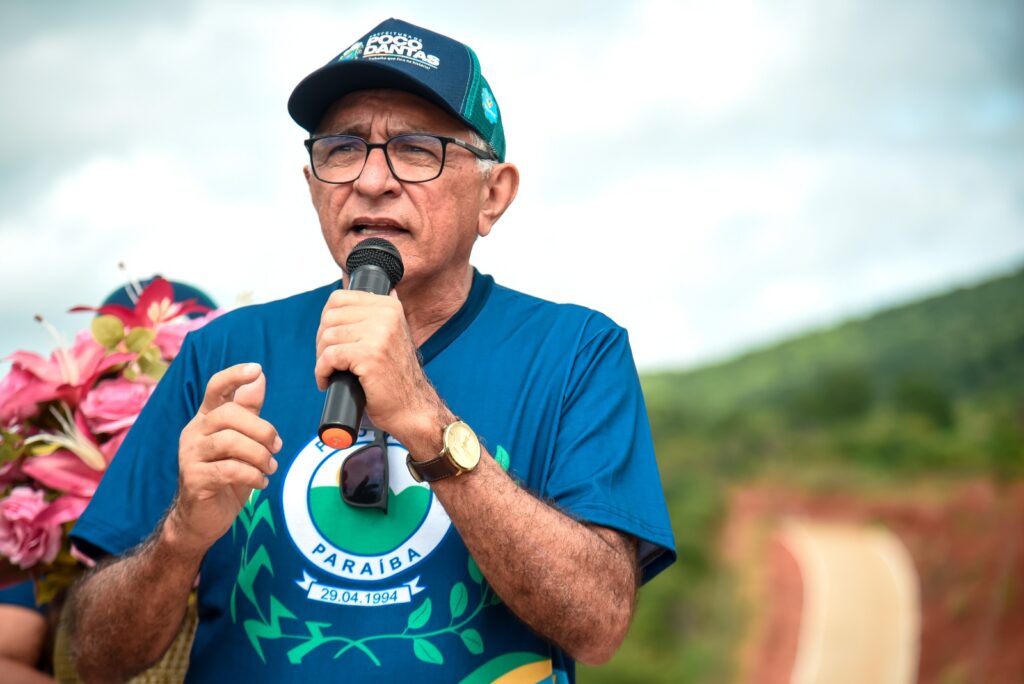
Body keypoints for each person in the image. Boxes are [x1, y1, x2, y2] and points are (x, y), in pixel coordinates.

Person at [66, 18, 676, 683]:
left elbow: (598, 624)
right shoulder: (223, 355)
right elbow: (93, 657)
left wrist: (425, 420)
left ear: (492, 197)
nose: (372, 180)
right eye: (343, 148)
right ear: (312, 185)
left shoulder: (575, 353)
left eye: (417, 149)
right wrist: (180, 537)